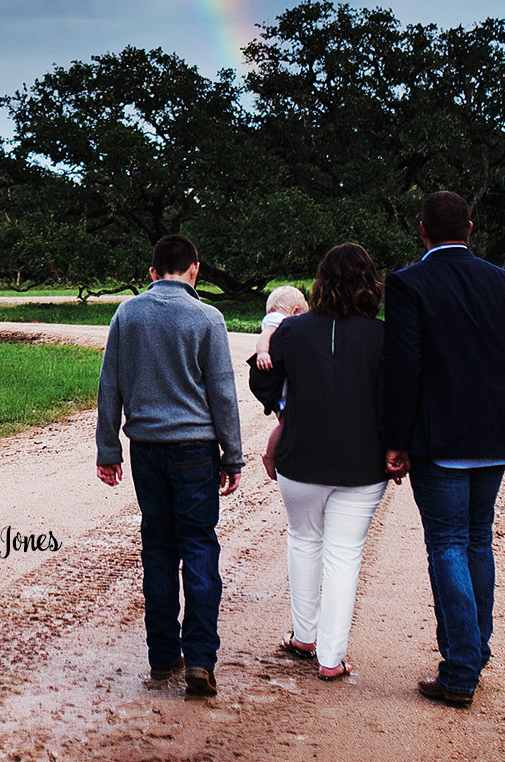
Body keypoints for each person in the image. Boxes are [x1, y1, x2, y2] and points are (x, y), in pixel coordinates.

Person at [383, 190, 505, 709]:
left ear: (422, 230)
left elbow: (404, 370)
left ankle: (461, 669)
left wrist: (396, 441)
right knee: (477, 541)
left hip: (440, 440)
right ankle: (475, 651)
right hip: (494, 437)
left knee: (447, 544)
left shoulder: (408, 284)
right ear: (469, 228)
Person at [96, 234, 247, 699]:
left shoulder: (127, 314)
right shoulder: (208, 317)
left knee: (158, 546)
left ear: (152, 272)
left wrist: (108, 449)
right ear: (195, 270)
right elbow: (222, 392)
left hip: (145, 447)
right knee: (199, 546)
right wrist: (232, 454)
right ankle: (200, 657)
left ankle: (163, 656)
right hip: (196, 449)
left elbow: (110, 385)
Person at [249, 244, 392, 683]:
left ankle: (305, 636)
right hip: (363, 464)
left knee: (303, 541)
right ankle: (332, 658)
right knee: (344, 555)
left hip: (300, 458)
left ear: (321, 283)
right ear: (371, 284)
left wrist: (285, 411)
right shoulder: (384, 335)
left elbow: (260, 377)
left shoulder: (291, 332)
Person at [254, 284, 307, 477]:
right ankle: (270, 455)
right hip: (282, 382)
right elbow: (265, 336)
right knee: (285, 424)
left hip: (285, 377)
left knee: (288, 423)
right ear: (295, 311)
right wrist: (262, 353)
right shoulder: (277, 319)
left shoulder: (281, 319)